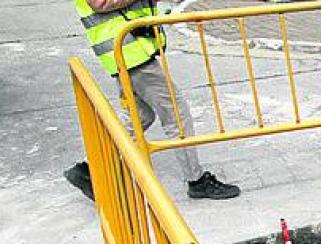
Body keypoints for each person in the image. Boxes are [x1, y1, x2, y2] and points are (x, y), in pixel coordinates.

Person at [65, 0, 239, 200]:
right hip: (127, 49)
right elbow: (100, 3)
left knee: (140, 115)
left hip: (129, 47)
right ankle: (196, 180)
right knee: (176, 112)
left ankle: (89, 167)